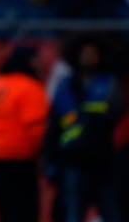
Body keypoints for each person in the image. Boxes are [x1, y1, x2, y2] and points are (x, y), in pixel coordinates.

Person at [43, 35, 122, 222]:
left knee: (112, 213)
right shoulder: (65, 87)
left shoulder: (109, 84)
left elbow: (116, 116)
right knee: (73, 214)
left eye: (93, 54)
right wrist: (51, 162)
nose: (88, 57)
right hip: (74, 163)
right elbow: (54, 126)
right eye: (85, 53)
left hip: (104, 163)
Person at [0, 43, 49, 222]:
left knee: (5, 207)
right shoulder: (30, 87)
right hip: (21, 155)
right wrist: (42, 154)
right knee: (26, 209)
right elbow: (35, 127)